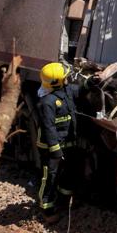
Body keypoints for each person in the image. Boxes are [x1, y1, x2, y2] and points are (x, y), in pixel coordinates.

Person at [36, 62, 84, 223]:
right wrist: (55, 150)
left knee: (69, 172)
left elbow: (80, 90)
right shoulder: (46, 102)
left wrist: (91, 83)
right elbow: (48, 128)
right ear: (57, 81)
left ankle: (63, 202)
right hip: (52, 148)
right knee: (50, 176)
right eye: (65, 77)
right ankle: (47, 209)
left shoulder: (66, 91)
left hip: (68, 142)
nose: (68, 78)